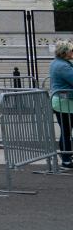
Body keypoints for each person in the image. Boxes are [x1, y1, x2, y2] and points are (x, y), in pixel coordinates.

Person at [49, 40, 73, 169]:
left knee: (66, 131)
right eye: (71, 50)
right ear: (65, 52)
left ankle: (67, 157)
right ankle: (66, 160)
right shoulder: (63, 66)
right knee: (66, 132)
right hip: (65, 103)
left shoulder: (59, 63)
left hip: (63, 102)